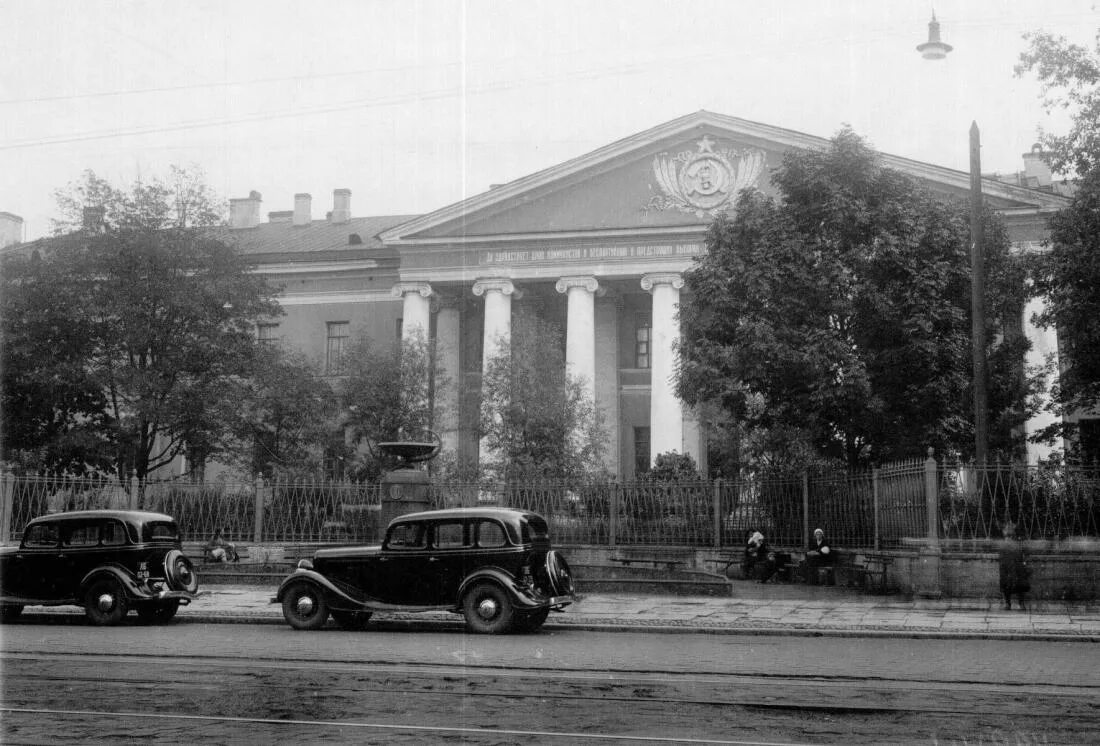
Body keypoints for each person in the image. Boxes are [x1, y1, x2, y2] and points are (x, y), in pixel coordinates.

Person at [998, 522, 1030, 611]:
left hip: (1017, 563)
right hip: (1007, 563)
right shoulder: (1005, 542)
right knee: (1006, 583)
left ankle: (1020, 603)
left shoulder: (1019, 542)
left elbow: (1024, 552)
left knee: (1020, 583)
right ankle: (1008, 603)